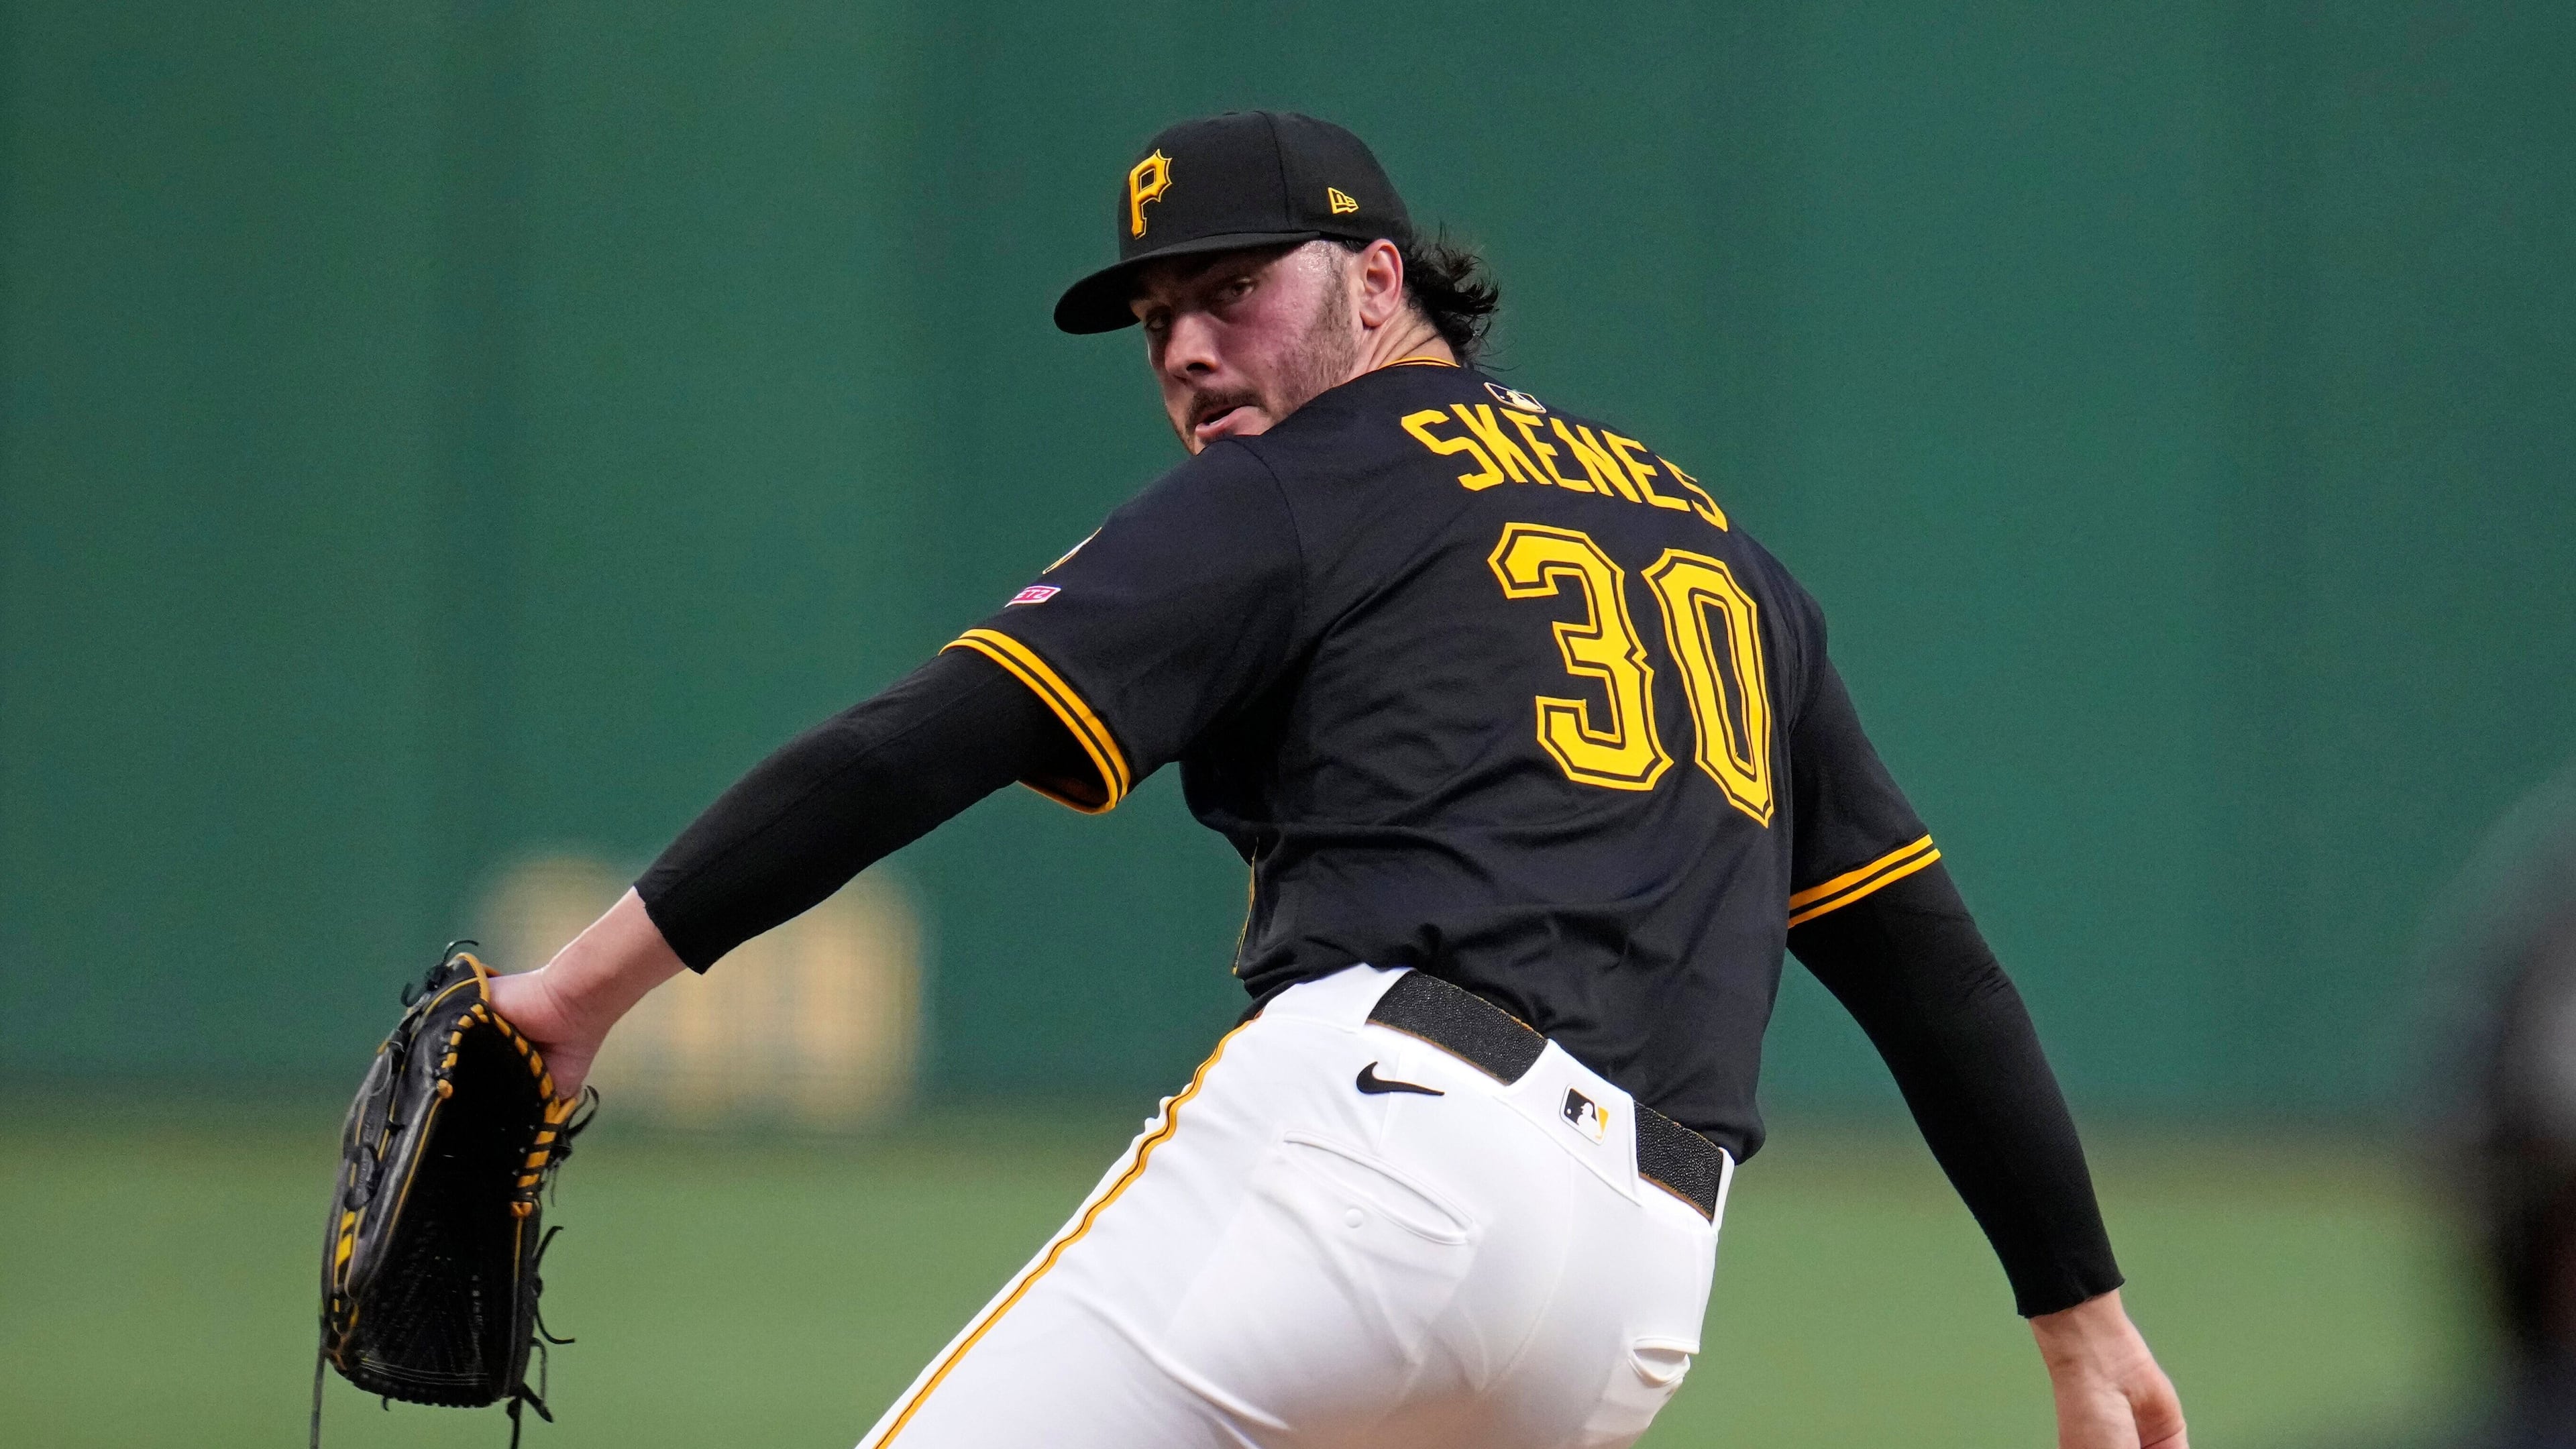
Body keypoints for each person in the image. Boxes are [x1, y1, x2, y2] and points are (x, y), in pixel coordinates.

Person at [490, 110, 2187, 1448]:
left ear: (1381, 287)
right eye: (1157, 318)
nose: (1188, 348)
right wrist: (2078, 1311)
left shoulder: (1316, 478)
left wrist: (584, 989)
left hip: (1383, 1158)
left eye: (1236, 290)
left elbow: (927, 737)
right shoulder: (1718, 547)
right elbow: (1924, 961)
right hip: (1642, 1290)